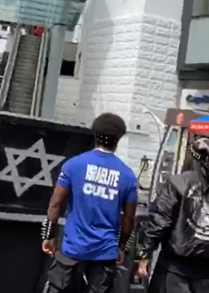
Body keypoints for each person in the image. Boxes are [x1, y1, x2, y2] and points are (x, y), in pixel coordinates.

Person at [41, 113, 137, 293]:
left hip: (72, 250)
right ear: (119, 139)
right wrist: (121, 247)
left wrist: (48, 235)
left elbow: (55, 204)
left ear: (94, 135)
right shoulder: (127, 175)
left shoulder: (73, 165)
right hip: (105, 253)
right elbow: (129, 220)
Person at [136, 137, 209, 293]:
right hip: (205, 276)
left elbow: (160, 221)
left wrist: (145, 255)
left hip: (174, 272)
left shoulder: (178, 183)